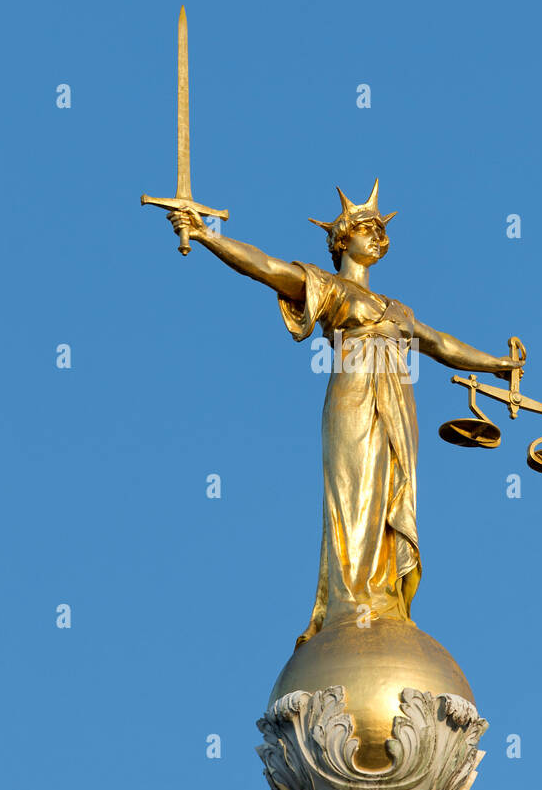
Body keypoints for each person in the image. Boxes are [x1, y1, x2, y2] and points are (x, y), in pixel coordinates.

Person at [169, 180, 516, 643]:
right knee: (354, 492)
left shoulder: (398, 310)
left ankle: (383, 596)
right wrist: (209, 234)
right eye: (366, 228)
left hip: (396, 402)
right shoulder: (330, 288)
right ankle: (350, 599)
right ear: (342, 239)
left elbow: (440, 344)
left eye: (380, 230)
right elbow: (267, 268)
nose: (378, 236)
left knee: (389, 488)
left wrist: (496, 364)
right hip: (353, 397)